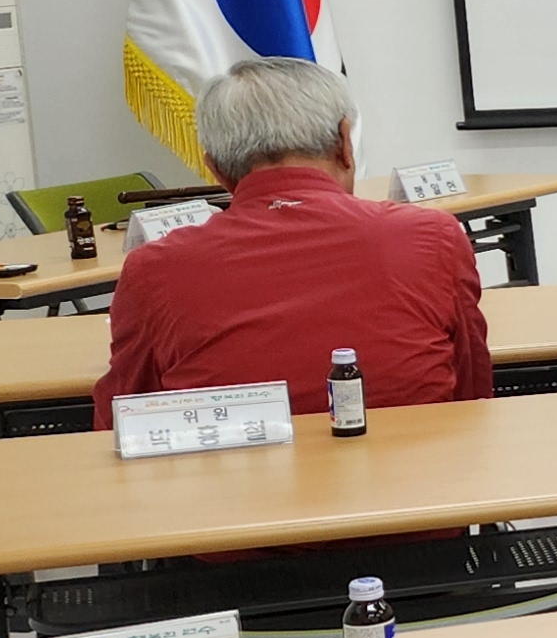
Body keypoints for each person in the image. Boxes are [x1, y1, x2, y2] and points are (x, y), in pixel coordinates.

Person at [93, 56, 489, 425]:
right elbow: (472, 391)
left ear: (215, 169)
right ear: (345, 143)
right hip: (417, 470)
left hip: (234, 475)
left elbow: (125, 419)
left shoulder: (155, 269)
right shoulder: (432, 236)